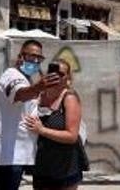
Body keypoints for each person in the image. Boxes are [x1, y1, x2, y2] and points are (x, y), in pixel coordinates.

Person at [0, 39, 59, 190]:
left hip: (16, 154)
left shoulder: (26, 79)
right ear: (21, 57)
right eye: (32, 56)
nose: (36, 61)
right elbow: (20, 94)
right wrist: (38, 87)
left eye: (40, 58)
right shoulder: (13, 76)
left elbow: (28, 105)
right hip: (7, 156)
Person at [23, 58, 86, 190]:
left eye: (61, 74)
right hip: (41, 167)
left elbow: (71, 136)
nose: (56, 76)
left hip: (65, 168)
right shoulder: (40, 96)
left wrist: (42, 130)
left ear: (68, 77)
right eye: (53, 72)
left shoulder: (69, 98)